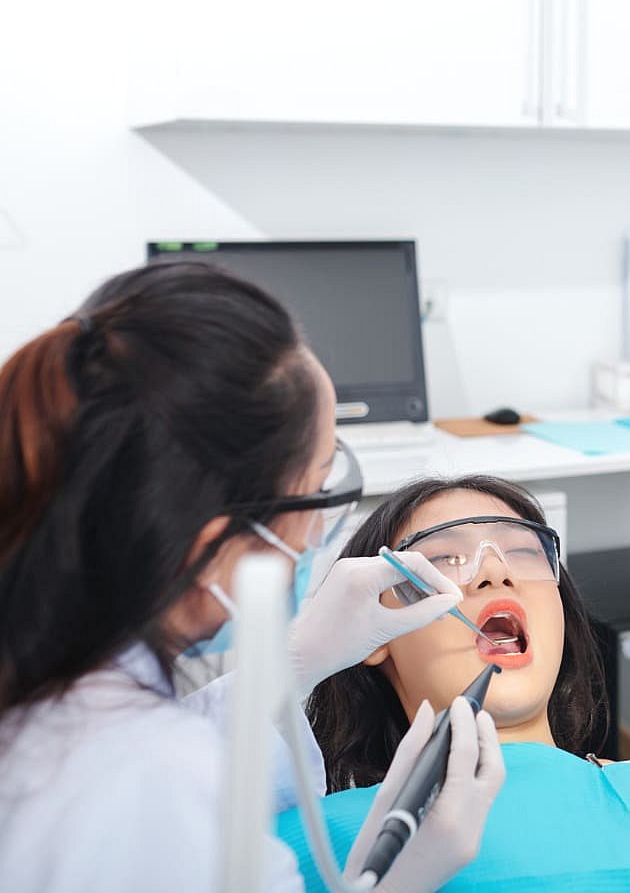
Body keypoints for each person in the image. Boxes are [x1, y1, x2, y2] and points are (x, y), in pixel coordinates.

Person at [0, 262, 503, 892]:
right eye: (318, 489)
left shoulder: (60, 674)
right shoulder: (148, 781)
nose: (493, 576)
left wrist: (294, 663)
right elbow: (159, 784)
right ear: (213, 549)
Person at [281, 474, 630, 892]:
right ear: (372, 633)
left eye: (523, 552)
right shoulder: (307, 845)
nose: (495, 574)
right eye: (444, 559)